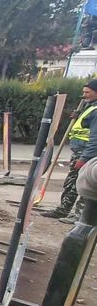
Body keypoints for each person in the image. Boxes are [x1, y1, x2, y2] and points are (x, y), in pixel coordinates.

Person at [45, 80, 97, 220]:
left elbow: (95, 138)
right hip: (81, 151)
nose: (83, 95)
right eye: (83, 92)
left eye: (87, 92)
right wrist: (79, 116)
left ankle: (75, 215)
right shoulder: (90, 107)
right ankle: (68, 211)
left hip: (86, 153)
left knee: (77, 184)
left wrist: (84, 158)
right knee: (74, 183)